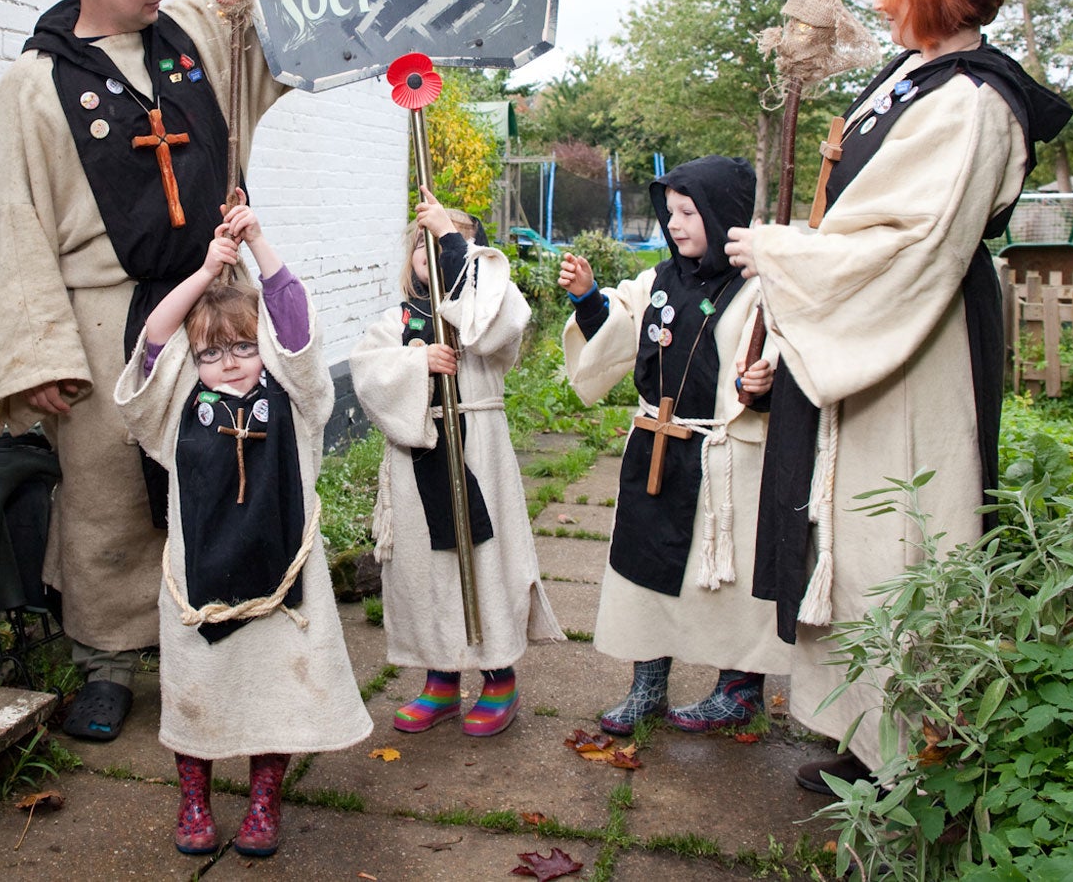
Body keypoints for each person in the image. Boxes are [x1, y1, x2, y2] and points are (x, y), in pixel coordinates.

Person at [726, 0, 1071, 793]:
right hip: (870, 333)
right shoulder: (913, 75)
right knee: (850, 525)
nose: (880, 0)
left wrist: (777, 251)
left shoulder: (972, 101)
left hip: (912, 339)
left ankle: (913, 751)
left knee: (905, 530)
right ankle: (862, 734)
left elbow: (911, 243)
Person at [0, 0, 286, 742]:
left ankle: (222, 628)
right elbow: (10, 216)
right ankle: (107, 660)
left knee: (230, 465)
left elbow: (248, 39)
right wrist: (38, 355)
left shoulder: (182, 41)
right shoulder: (32, 86)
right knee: (106, 493)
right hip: (106, 316)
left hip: (213, 300)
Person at [113, 203, 372, 857]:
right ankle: (194, 795)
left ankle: (264, 796)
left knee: (275, 689)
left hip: (281, 583)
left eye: (242, 347)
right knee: (197, 691)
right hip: (198, 580)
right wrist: (206, 273)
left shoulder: (294, 400)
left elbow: (292, 321)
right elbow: (151, 339)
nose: (228, 362)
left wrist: (259, 244)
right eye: (212, 351)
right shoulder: (177, 407)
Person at [558, 156, 786, 735]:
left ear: (723, 213)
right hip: (656, 444)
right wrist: (588, 299)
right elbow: (620, 330)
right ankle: (648, 685)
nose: (676, 222)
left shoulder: (761, 287)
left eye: (689, 212)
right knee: (646, 566)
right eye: (671, 211)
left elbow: (787, 355)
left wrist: (764, 386)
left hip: (726, 454)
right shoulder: (656, 280)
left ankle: (738, 689)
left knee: (724, 571)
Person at [349, 194, 563, 737]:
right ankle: (440, 681)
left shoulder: (486, 311)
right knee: (426, 570)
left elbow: (495, 328)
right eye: (425, 240)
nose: (436, 248)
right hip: (418, 454)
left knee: (485, 560)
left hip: (479, 452)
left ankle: (498, 678)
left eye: (451, 240)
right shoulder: (394, 321)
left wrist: (452, 242)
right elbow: (369, 375)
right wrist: (418, 361)